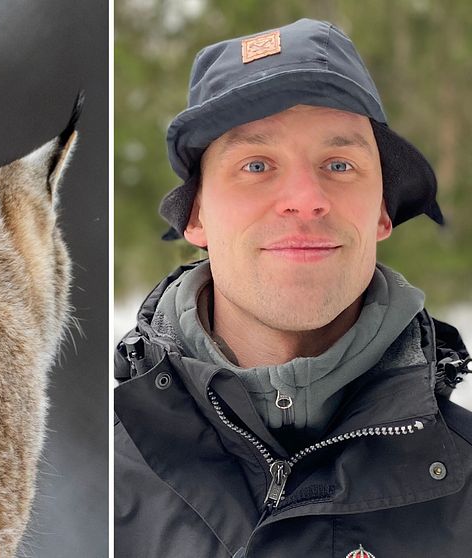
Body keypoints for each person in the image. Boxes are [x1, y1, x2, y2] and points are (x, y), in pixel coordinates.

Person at [113, 18, 472, 558]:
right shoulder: (97, 474)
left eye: (339, 164)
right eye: (256, 164)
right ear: (197, 216)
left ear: (381, 212)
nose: (305, 197)